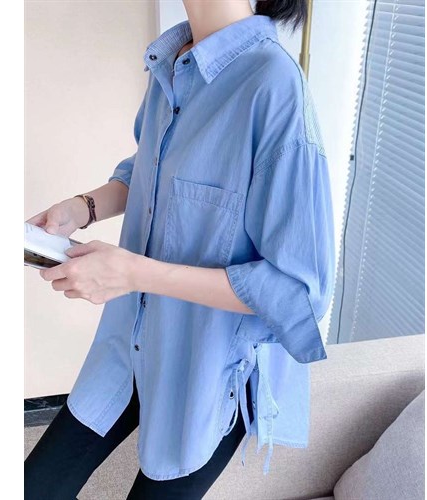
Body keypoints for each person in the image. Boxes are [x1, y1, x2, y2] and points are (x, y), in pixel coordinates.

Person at [24, 0, 336, 498]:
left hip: (206, 372)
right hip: (130, 343)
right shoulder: (172, 60)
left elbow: (298, 291)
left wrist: (132, 274)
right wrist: (83, 208)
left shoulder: (275, 87)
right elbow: (149, 169)